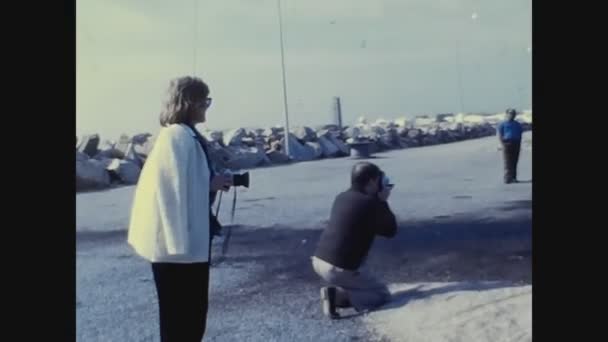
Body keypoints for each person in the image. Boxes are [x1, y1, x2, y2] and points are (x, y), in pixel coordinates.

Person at [128, 76, 232, 342]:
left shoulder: (180, 135)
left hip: (183, 247)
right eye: (204, 101)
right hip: (179, 250)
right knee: (183, 321)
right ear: (189, 102)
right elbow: (171, 189)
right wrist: (209, 183)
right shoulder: (177, 137)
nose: (207, 106)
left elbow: (180, 184)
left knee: (188, 319)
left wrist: (209, 183)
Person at [312, 162, 397, 319]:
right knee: (381, 295)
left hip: (319, 261)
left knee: (357, 277)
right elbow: (391, 231)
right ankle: (335, 295)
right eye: (379, 180)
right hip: (337, 268)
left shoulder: (342, 197)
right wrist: (383, 201)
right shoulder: (370, 203)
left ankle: (340, 288)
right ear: (372, 181)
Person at [498, 108, 524, 184]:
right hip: (507, 143)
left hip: (516, 143)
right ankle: (507, 178)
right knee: (507, 162)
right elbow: (500, 134)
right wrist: (502, 143)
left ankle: (513, 177)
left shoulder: (517, 124)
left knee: (515, 161)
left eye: (513, 114)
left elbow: (520, 134)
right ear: (506, 114)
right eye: (510, 113)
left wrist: (519, 143)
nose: (511, 115)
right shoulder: (502, 124)